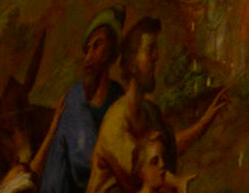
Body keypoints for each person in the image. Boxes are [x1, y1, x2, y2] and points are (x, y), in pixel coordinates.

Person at [88, 17, 225, 193]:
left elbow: (170, 148)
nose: (156, 56)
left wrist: (205, 121)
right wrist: (177, 183)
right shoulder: (114, 122)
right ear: (132, 64)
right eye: (150, 49)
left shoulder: (150, 112)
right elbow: (143, 167)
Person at [31, 8, 126, 193]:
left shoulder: (117, 95)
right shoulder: (75, 98)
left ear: (112, 50)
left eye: (97, 46)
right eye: (87, 49)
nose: (88, 57)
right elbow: (86, 166)